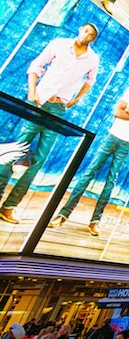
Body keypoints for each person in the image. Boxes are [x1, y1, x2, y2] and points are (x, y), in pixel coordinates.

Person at [0, 24, 99, 224]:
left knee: (39, 160)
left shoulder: (92, 59)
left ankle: (9, 207)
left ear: (93, 39)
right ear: (79, 30)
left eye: (91, 34)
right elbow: (36, 66)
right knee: (16, 151)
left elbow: (90, 81)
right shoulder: (59, 44)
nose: (87, 34)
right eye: (85, 30)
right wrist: (32, 91)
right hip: (39, 103)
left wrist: (75, 100)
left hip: (58, 109)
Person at [51, 69, 129, 235]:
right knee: (88, 173)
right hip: (111, 136)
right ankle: (63, 214)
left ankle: (95, 221)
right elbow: (117, 112)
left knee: (111, 181)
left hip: (126, 143)